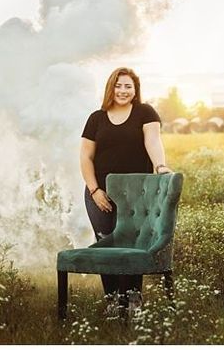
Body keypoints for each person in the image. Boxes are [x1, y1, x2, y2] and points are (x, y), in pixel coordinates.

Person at [80, 67, 169, 303]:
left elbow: (153, 141)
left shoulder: (145, 112)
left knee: (134, 243)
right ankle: (111, 300)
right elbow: (86, 157)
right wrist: (95, 190)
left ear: (135, 89)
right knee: (105, 245)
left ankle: (132, 300)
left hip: (137, 195)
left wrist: (160, 166)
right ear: (111, 87)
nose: (122, 90)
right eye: (118, 85)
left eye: (128, 86)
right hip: (100, 193)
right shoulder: (96, 118)